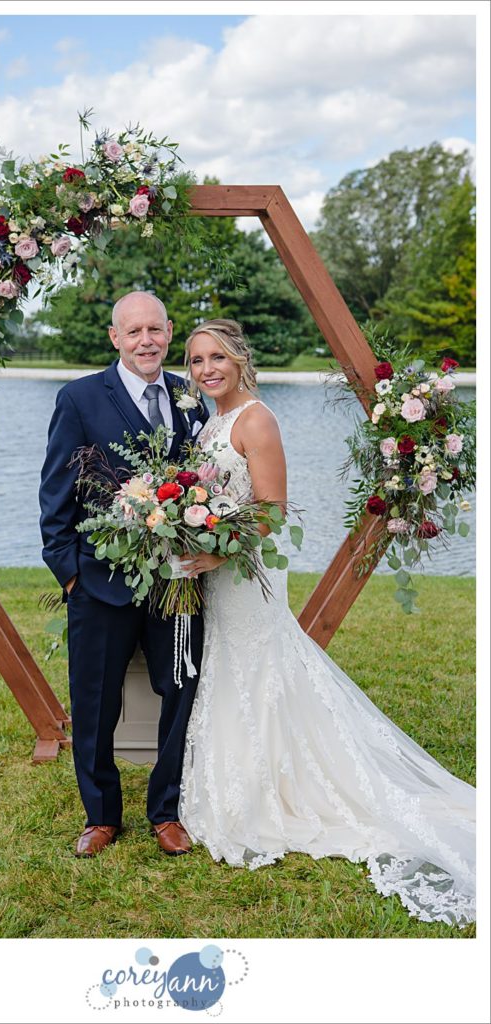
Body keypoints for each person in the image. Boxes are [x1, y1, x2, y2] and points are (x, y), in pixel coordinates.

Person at [177, 319, 476, 928]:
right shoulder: (209, 422)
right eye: (197, 360)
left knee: (260, 669)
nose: (207, 369)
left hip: (245, 576)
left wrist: (216, 550)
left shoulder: (256, 419)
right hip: (215, 576)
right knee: (232, 671)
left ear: (240, 361)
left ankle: (273, 791)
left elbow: (271, 512)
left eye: (217, 358)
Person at [39, 291, 208, 858]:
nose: (146, 341)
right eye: (133, 331)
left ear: (168, 332)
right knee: (94, 704)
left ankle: (166, 811)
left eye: (155, 330)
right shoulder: (81, 398)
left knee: (181, 694)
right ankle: (101, 815)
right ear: (115, 338)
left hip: (177, 584)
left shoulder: (191, 399)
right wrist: (70, 574)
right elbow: (55, 495)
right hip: (100, 586)